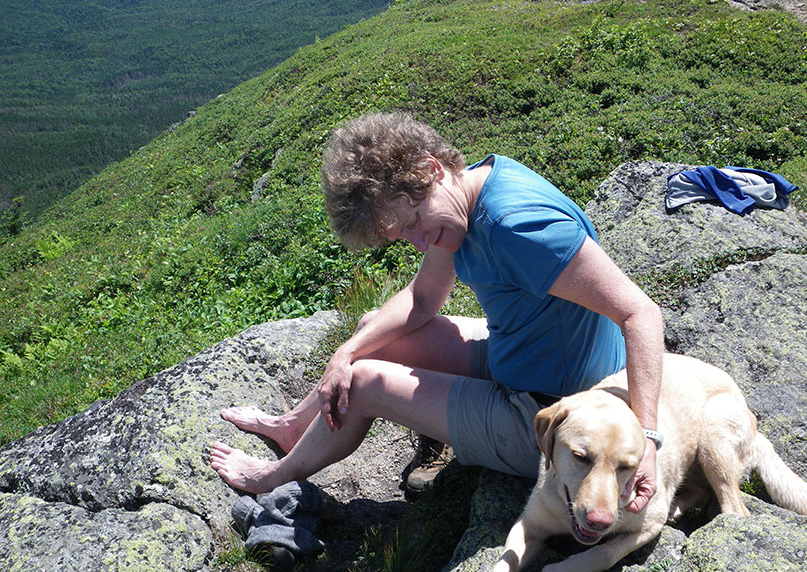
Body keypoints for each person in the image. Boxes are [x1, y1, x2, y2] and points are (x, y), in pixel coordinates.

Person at [210, 111, 663, 511]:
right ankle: (293, 427)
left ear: (431, 169)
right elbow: (424, 298)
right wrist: (344, 353)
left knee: (366, 384)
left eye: (413, 225)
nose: (420, 243)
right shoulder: (467, 196)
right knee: (374, 332)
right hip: (525, 354)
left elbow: (641, 314)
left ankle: (273, 477)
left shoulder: (516, 227)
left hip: (553, 415)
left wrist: (646, 443)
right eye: (403, 236)